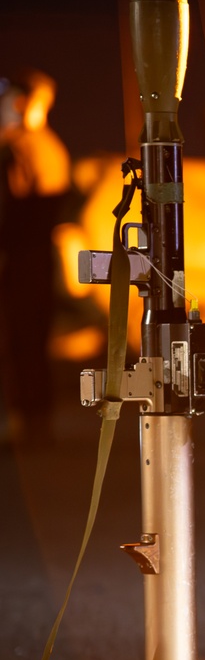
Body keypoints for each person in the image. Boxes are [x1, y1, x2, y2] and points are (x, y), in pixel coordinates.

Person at [0, 71, 75, 445]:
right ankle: (31, 421)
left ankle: (34, 425)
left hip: (28, 260)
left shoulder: (36, 147)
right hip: (26, 259)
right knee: (22, 343)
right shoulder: (30, 145)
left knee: (27, 342)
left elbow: (32, 213)